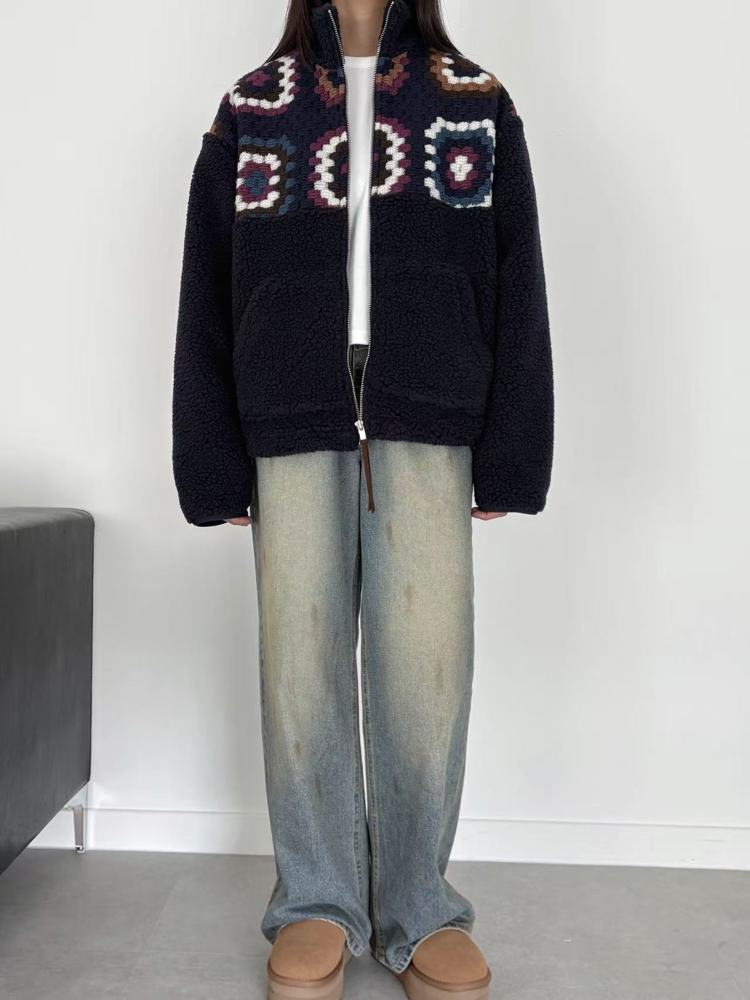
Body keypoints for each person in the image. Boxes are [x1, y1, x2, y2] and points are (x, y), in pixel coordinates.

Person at [172, 0, 553, 996]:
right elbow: (206, 287)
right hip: (290, 407)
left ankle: (418, 903)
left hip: (426, 407)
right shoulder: (254, 106)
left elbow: (519, 278)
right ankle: (315, 899)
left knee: (427, 665)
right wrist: (212, 458)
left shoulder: (473, 101)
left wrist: (511, 450)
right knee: (299, 665)